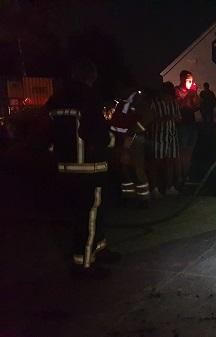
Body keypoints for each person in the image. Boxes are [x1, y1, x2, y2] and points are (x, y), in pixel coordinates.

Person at [45, 59, 120, 279]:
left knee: (86, 214)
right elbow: (95, 133)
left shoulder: (56, 99)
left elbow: (49, 135)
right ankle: (84, 265)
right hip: (89, 169)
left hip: (65, 168)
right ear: (92, 76)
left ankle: (100, 248)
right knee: (89, 216)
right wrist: (112, 139)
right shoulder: (89, 97)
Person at [109, 90, 151, 208]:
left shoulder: (139, 104)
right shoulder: (121, 104)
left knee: (137, 169)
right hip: (121, 141)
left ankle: (144, 199)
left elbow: (147, 119)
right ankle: (129, 197)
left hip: (134, 141)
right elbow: (116, 123)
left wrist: (133, 132)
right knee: (124, 170)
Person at [149, 82, 181, 196]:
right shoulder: (155, 104)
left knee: (170, 162)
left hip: (172, 136)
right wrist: (166, 118)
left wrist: (175, 118)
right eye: (166, 95)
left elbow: (178, 118)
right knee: (156, 163)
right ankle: (154, 188)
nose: (168, 98)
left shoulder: (174, 103)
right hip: (159, 137)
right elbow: (151, 120)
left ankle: (169, 187)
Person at [174, 70, 201, 185]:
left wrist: (195, 95)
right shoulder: (176, 91)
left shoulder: (191, 92)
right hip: (182, 125)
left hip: (192, 124)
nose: (190, 82)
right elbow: (178, 106)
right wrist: (188, 96)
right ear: (181, 79)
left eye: (191, 80)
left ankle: (187, 175)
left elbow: (197, 106)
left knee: (189, 151)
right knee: (182, 151)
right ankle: (180, 176)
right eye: (188, 80)